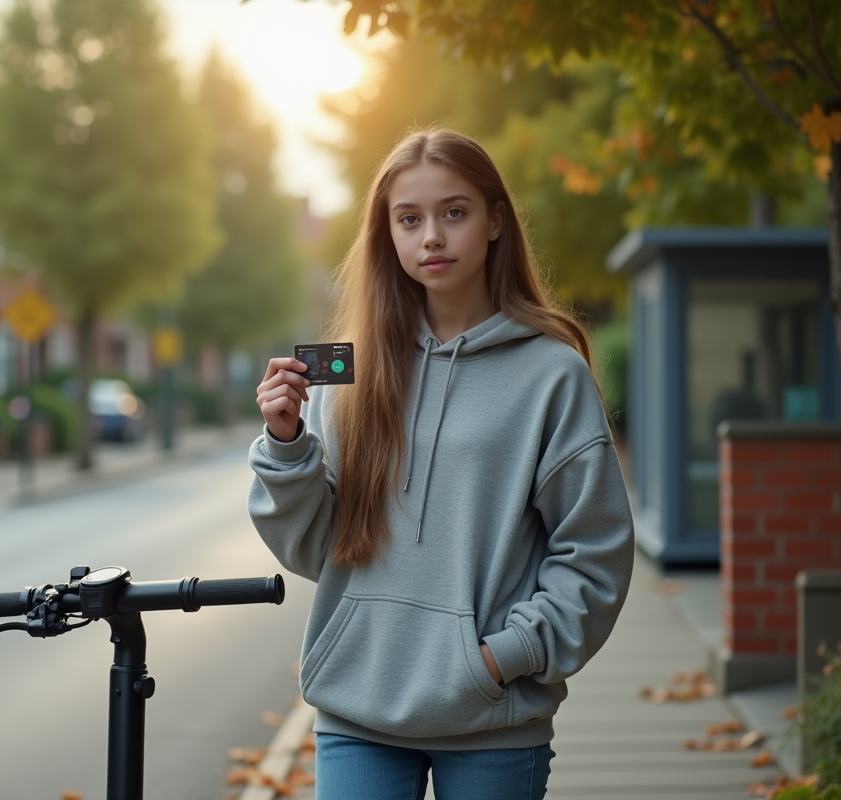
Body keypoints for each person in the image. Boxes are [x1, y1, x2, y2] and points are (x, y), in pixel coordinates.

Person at [248, 127, 634, 800]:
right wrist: (287, 447)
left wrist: (506, 656)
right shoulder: (351, 371)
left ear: (495, 221)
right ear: (388, 234)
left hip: (493, 716)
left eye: (454, 212)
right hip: (359, 711)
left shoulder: (550, 374)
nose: (431, 236)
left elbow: (594, 551)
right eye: (409, 218)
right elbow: (314, 549)